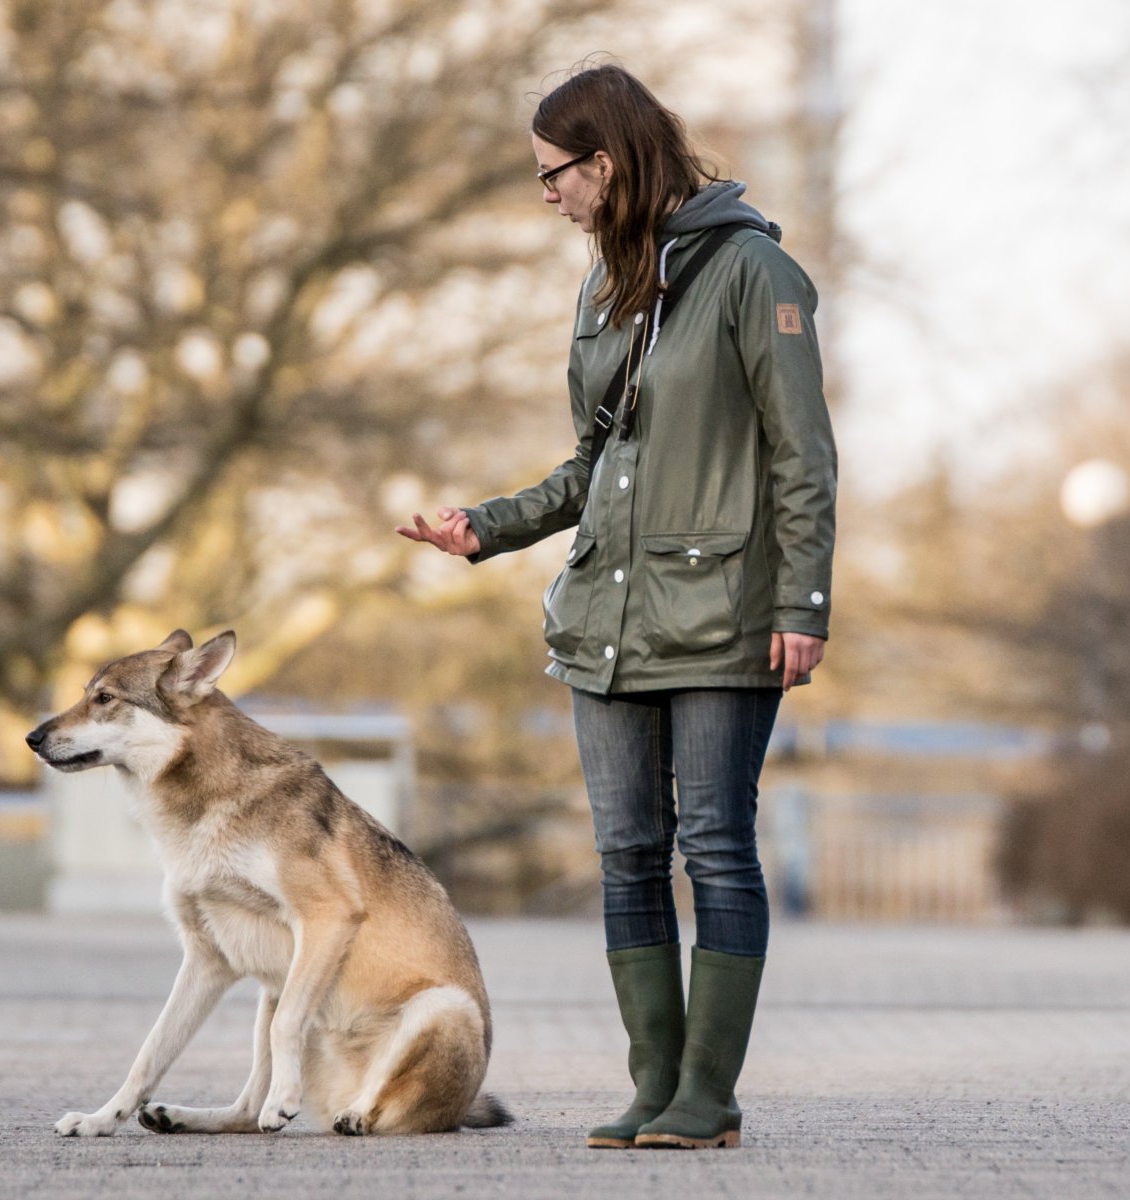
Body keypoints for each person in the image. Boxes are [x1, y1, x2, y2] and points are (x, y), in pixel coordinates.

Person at [395, 62, 837, 1150]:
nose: (546, 194)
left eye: (555, 174)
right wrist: (486, 526)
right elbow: (592, 465)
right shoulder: (604, 290)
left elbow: (803, 458)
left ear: (608, 161)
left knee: (717, 847)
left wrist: (805, 600)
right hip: (607, 620)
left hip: (725, 614)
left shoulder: (752, 272)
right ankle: (654, 1088)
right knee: (628, 851)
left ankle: (708, 1095)